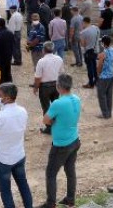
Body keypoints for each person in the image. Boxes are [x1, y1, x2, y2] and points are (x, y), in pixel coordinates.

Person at [38, 74, 81, 208]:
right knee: (70, 171)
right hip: (74, 139)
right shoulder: (77, 98)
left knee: (50, 173)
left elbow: (45, 120)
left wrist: (54, 121)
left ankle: (51, 203)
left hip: (61, 144)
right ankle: (70, 199)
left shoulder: (58, 103)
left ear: (59, 87)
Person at [0, 83, 33, 208]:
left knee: (6, 192)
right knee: (23, 186)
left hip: (3, 159)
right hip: (19, 155)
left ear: (7, 98)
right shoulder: (23, 111)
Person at [34, 41, 64, 134]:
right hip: (56, 85)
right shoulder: (59, 58)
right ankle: (57, 125)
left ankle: (49, 127)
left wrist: (35, 88)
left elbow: (38, 77)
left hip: (45, 87)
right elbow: (62, 72)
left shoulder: (41, 61)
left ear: (43, 50)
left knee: (46, 108)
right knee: (55, 106)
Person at [96, 36, 113, 119]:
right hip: (111, 75)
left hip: (104, 76)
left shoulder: (103, 53)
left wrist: (98, 73)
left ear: (103, 43)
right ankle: (109, 112)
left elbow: (100, 65)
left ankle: (105, 113)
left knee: (101, 95)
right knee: (109, 95)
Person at [0, 18, 15, 83]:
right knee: (8, 70)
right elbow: (13, 44)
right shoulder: (10, 33)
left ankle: (1, 83)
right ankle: (9, 82)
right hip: (8, 56)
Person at [81, 16, 101, 89]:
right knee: (94, 65)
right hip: (95, 50)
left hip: (88, 51)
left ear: (84, 22)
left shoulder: (83, 32)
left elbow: (83, 44)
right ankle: (96, 80)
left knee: (89, 67)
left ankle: (91, 83)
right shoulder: (96, 28)